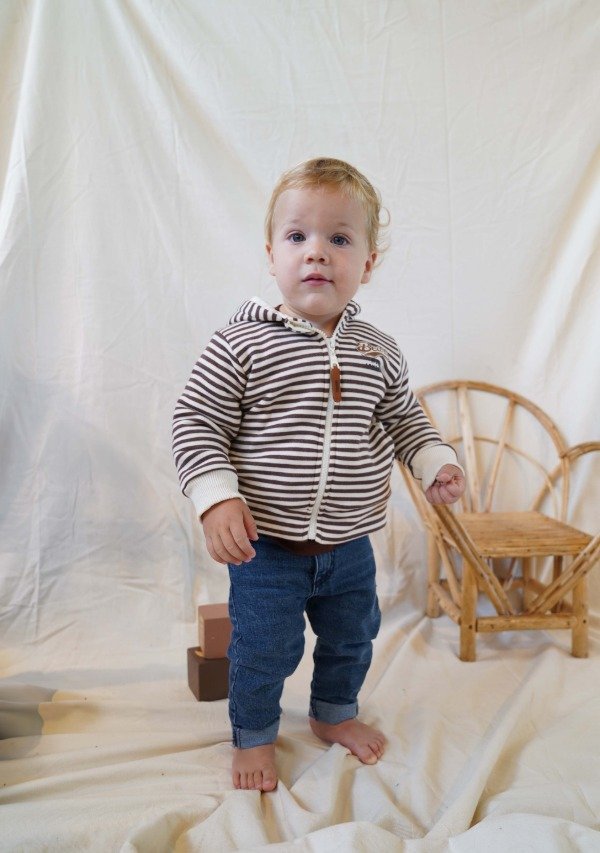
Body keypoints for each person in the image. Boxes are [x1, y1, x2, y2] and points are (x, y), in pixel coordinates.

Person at [172, 157, 465, 793]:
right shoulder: (241, 344)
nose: (317, 253)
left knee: (353, 638)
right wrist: (216, 498)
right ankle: (254, 734)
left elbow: (405, 419)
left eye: (339, 238)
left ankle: (333, 713)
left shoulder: (377, 350)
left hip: (350, 544)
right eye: (297, 236)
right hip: (267, 547)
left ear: (368, 262)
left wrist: (435, 461)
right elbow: (196, 423)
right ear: (271, 254)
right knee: (264, 647)